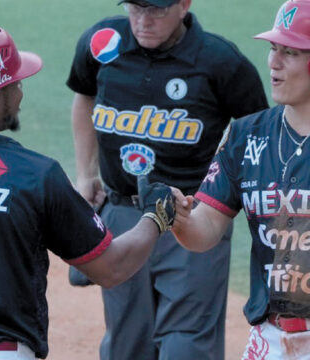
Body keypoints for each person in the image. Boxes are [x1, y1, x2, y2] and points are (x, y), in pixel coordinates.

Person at [0, 25, 174, 360]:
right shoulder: (34, 174)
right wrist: (155, 216)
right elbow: (111, 268)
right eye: (16, 83)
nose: (21, 93)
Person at [66, 0, 269, 359]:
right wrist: (86, 176)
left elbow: (259, 129)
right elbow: (85, 97)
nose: (143, 21)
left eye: (156, 11)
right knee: (127, 345)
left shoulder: (220, 62)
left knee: (186, 345)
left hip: (193, 216)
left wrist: (228, 193)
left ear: (184, 6)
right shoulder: (103, 41)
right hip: (122, 211)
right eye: (135, 8)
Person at [172, 0, 310, 358]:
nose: (273, 63)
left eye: (290, 53)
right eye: (273, 49)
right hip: (271, 338)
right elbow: (205, 231)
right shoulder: (246, 136)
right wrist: (179, 217)